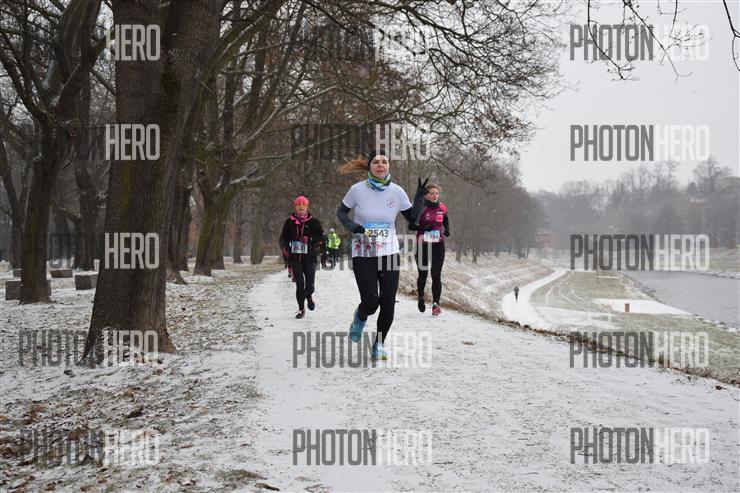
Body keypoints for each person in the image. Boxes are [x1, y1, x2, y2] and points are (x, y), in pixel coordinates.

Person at [337, 150, 426, 360]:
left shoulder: (397, 191)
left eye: (384, 161)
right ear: (370, 166)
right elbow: (341, 212)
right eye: (376, 162)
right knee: (371, 302)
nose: (380, 165)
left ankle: (379, 344)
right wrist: (352, 226)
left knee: (388, 302)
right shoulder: (357, 190)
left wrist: (420, 197)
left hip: (389, 252)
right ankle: (360, 317)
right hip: (363, 252)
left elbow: (412, 218)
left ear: (388, 166)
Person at [409, 183, 450, 316]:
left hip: (438, 245)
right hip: (422, 244)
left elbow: (445, 219)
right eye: (432, 193)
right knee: (423, 274)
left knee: (436, 275)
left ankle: (436, 304)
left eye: (437, 193)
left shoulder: (442, 207)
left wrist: (447, 229)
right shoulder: (421, 207)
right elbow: (411, 226)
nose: (434, 196)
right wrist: (422, 228)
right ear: (426, 195)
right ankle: (421, 297)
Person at [279, 196, 324, 319]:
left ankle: (308, 296)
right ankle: (301, 309)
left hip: (310, 258)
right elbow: (283, 238)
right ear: (295, 207)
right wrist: (286, 246)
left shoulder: (314, 222)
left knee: (310, 285)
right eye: (299, 206)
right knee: (300, 284)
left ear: (307, 207)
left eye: (303, 206)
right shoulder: (289, 222)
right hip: (295, 259)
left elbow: (321, 238)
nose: (301, 208)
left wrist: (310, 240)